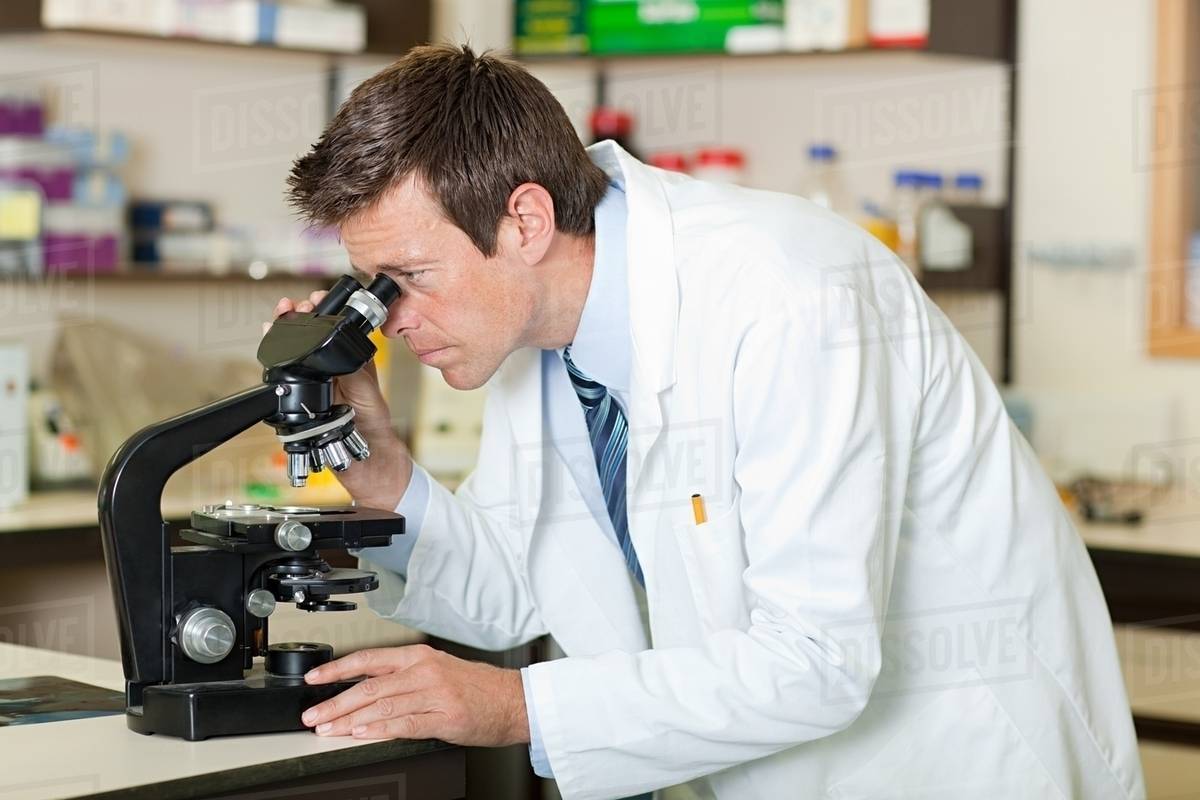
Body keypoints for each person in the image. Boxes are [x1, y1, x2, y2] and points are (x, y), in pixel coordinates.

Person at [274, 44, 1144, 800]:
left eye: (409, 277)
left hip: (951, 763)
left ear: (526, 220)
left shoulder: (791, 295)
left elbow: (816, 661)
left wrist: (517, 707)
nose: (390, 318)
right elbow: (514, 585)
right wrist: (376, 462)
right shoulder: (532, 332)